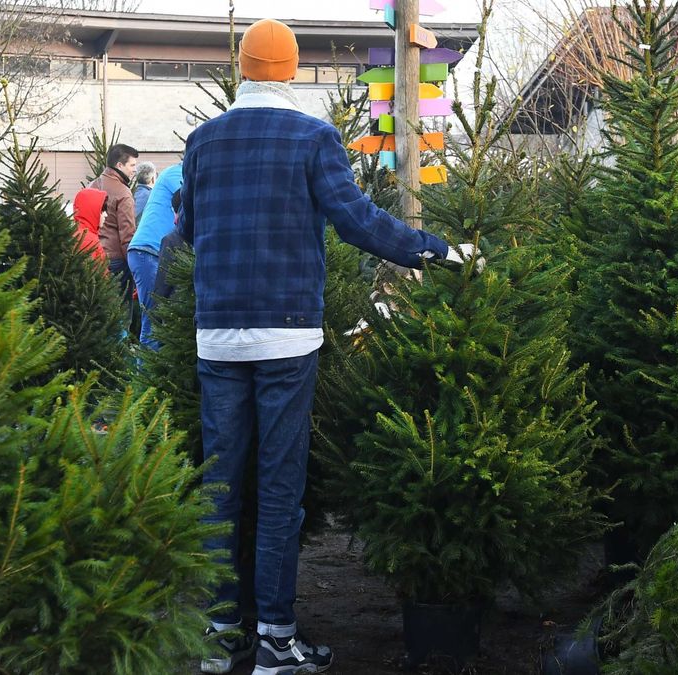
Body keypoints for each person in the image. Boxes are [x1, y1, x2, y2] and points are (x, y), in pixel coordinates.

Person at [181, 18, 462, 675]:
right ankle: (277, 641)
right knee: (280, 489)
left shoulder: (202, 141)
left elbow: (191, 227)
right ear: (290, 68)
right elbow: (355, 219)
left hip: (217, 333)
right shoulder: (314, 138)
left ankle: (222, 637)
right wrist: (431, 250)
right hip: (286, 334)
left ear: (244, 65)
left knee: (220, 485)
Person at [127, 162, 181, 349]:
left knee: (156, 319)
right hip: (149, 251)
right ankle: (147, 376)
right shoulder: (176, 174)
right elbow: (192, 200)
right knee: (153, 319)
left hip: (153, 252)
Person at [90, 143, 140, 341]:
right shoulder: (123, 193)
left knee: (101, 310)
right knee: (120, 313)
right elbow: (127, 236)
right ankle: (120, 358)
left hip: (94, 255)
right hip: (117, 262)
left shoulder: (93, 185)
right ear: (120, 165)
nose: (134, 170)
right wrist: (134, 268)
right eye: (132, 165)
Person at [72, 187, 108, 262]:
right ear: (92, 211)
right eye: (102, 211)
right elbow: (94, 271)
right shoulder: (87, 239)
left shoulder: (82, 233)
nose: (106, 215)